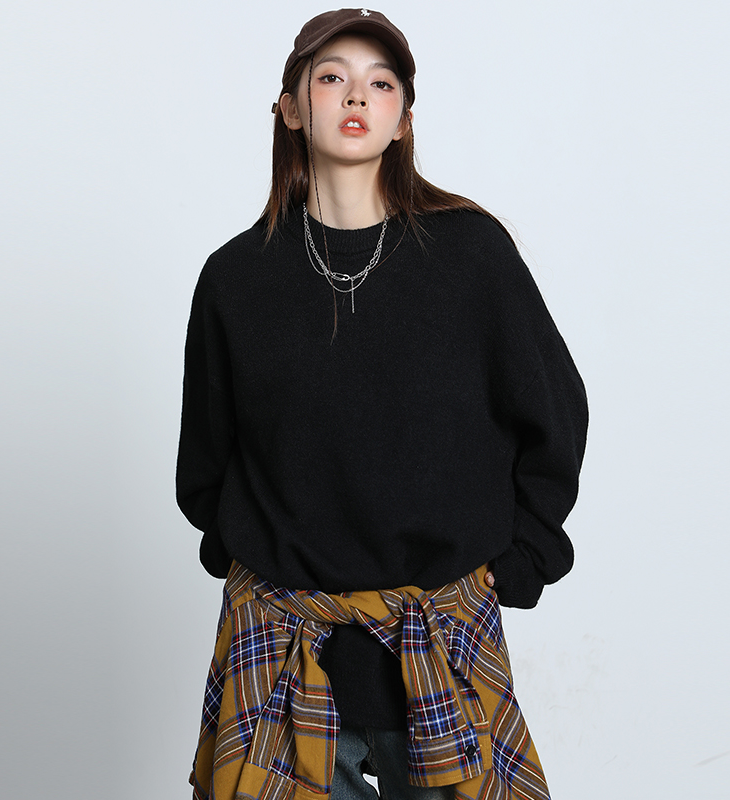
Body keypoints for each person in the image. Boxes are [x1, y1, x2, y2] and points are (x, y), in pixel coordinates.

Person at [176, 8, 588, 800]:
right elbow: (205, 464)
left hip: (442, 646)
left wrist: (522, 560)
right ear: (291, 108)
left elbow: (556, 413)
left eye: (382, 82)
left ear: (404, 119)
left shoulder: (470, 255)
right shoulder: (235, 279)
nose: (357, 95)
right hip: (282, 652)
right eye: (332, 77)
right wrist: (255, 562)